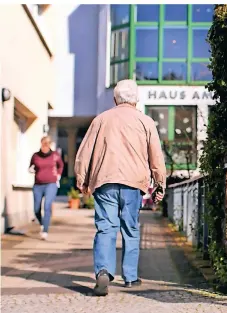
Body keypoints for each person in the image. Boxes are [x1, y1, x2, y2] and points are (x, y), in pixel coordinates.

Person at [75, 79, 166, 297]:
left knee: (105, 227)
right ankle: (130, 277)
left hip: (104, 179)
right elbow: (156, 156)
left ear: (115, 98)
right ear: (136, 100)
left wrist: (82, 180)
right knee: (130, 228)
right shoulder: (145, 122)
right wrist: (160, 183)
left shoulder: (101, 119)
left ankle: (104, 271)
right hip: (133, 182)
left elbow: (84, 152)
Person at [29, 136, 64, 240]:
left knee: (47, 205)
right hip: (38, 184)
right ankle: (42, 223)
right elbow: (31, 166)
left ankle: (45, 231)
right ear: (41, 144)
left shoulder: (55, 155)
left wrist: (58, 175)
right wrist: (30, 169)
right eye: (44, 143)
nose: (45, 146)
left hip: (51, 184)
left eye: (47, 144)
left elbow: (61, 165)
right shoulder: (35, 156)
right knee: (36, 209)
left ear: (50, 145)